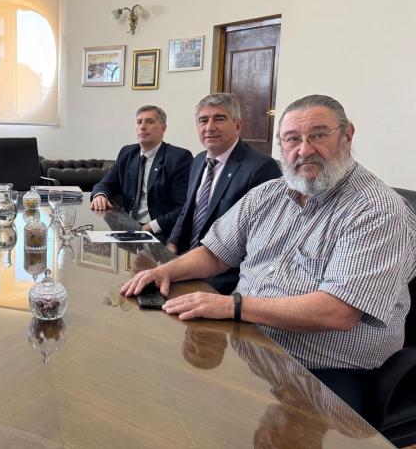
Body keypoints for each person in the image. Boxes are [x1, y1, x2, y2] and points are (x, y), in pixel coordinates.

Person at [122, 95, 416, 413]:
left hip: (325, 368)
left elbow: (337, 312)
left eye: (318, 135)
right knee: (159, 388)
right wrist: (164, 271)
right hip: (248, 343)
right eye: (292, 139)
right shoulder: (269, 194)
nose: (304, 150)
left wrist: (233, 305)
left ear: (347, 136)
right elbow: (216, 254)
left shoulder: (377, 210)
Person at [166, 94, 282, 293]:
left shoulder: (261, 168)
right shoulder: (198, 160)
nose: (209, 127)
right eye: (203, 120)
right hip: (187, 260)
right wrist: (172, 244)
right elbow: (188, 209)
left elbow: (259, 242)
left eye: (219, 119)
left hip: (223, 276)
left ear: (238, 125)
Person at [90, 105, 193, 238]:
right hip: (128, 228)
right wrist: (100, 195)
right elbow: (105, 184)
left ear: (163, 128)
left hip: (161, 232)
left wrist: (149, 227)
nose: (142, 127)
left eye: (150, 122)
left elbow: (183, 207)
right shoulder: (127, 153)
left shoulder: (179, 158)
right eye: (139, 122)